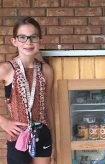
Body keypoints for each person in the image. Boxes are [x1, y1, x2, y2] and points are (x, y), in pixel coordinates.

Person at [0, 16, 55, 164]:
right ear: (14, 41)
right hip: (18, 135)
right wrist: (3, 121)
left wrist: (53, 139)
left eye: (33, 37)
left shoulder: (46, 70)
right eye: (23, 37)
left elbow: (48, 106)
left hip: (43, 135)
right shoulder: (6, 69)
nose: (28, 42)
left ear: (40, 41)